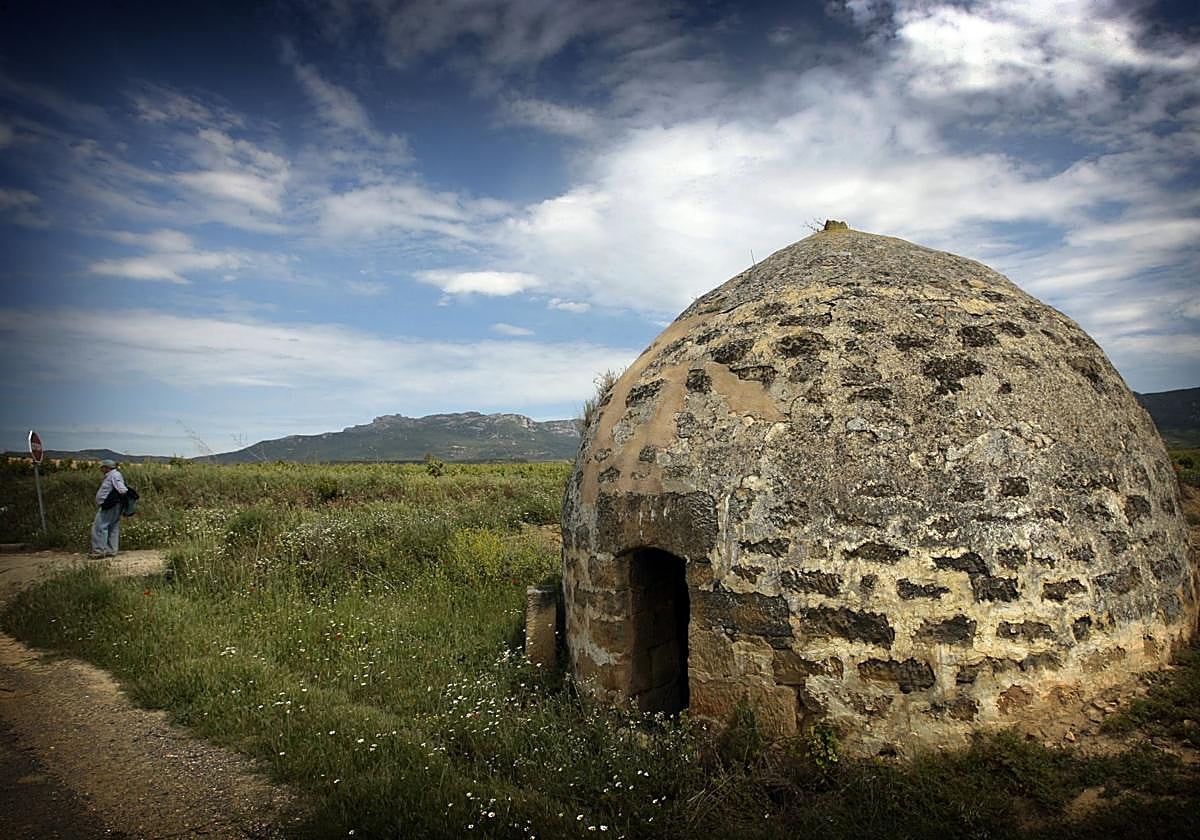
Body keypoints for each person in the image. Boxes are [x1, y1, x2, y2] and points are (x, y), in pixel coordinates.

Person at [90, 459, 127, 558]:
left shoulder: (114, 475)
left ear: (106, 467)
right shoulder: (114, 475)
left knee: (99, 527)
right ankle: (111, 550)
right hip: (114, 505)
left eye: (102, 467)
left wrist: (112, 499)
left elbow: (122, 490)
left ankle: (99, 551)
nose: (101, 469)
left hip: (110, 505)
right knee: (112, 527)